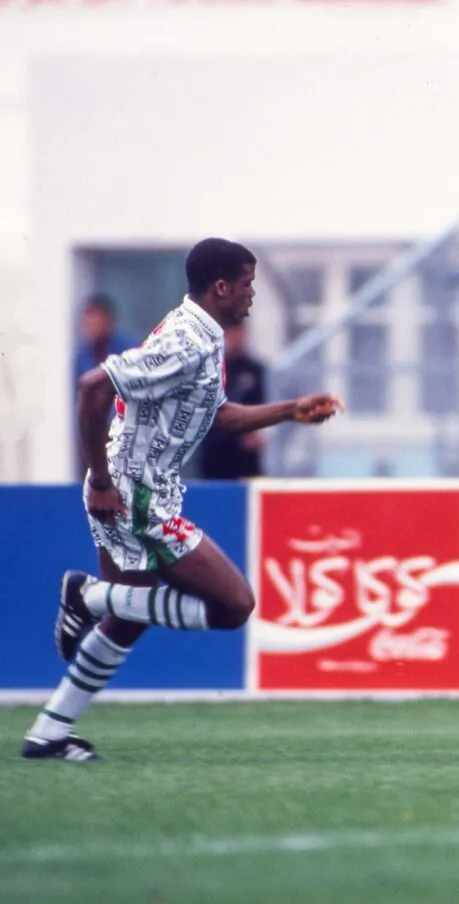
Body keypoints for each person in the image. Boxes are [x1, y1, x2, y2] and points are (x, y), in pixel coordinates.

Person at [21, 238, 342, 761]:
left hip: (136, 490)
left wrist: (291, 410)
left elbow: (218, 416)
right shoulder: (187, 342)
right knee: (235, 605)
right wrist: (101, 480)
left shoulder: (202, 334)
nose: (251, 296)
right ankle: (86, 596)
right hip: (132, 495)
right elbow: (92, 387)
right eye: (247, 284)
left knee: (131, 615)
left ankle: (49, 731)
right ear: (221, 287)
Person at [198, 324, 267, 479]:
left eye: (239, 334)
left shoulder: (256, 371)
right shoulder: (212, 370)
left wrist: (256, 433)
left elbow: (263, 404)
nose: (236, 339)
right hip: (216, 452)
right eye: (232, 335)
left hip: (247, 457)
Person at [73, 294, 136, 388]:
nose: (92, 328)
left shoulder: (128, 353)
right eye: (89, 324)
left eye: (96, 323)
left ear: (108, 322)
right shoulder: (82, 357)